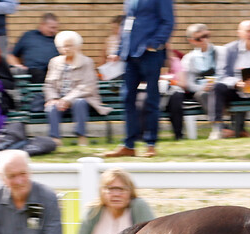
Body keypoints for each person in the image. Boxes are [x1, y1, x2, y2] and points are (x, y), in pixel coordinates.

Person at [103, 0, 175, 159]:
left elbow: (168, 21)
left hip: (150, 54)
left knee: (151, 99)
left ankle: (151, 144)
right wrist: (120, 50)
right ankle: (129, 145)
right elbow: (127, 23)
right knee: (127, 98)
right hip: (130, 55)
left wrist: (154, 43)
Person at [44, 31, 111, 147]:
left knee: (79, 102)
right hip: (60, 101)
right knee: (51, 107)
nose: (67, 49)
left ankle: (82, 137)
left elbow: (87, 86)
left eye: (70, 45)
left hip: (82, 100)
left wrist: (67, 99)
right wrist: (54, 98)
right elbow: (49, 84)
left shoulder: (86, 62)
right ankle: (55, 139)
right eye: (64, 46)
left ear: (77, 46)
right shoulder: (54, 62)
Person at [169, 23, 218, 141]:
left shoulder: (222, 52)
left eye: (206, 35)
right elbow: (189, 83)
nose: (203, 40)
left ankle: (235, 128)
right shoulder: (188, 59)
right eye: (198, 38)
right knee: (203, 94)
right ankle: (219, 127)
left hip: (221, 88)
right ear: (191, 40)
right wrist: (201, 88)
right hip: (202, 91)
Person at [7, 12, 59, 83]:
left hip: (53, 71)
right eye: (51, 28)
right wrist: (18, 66)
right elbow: (12, 56)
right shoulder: (28, 36)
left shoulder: (58, 39)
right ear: (42, 25)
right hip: (34, 71)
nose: (54, 31)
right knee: (38, 74)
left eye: (56, 28)